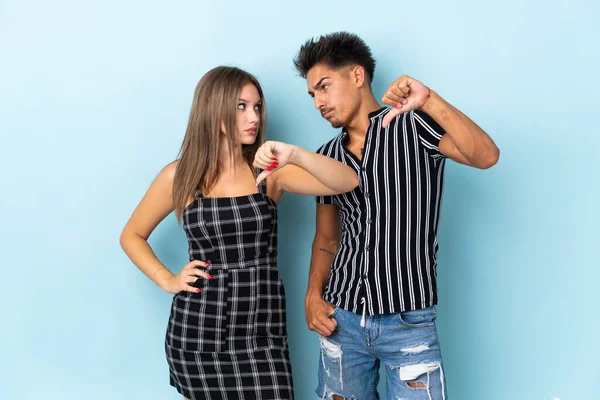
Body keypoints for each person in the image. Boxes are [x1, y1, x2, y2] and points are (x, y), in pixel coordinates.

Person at [119, 66, 359, 400]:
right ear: (214, 110)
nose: (254, 117)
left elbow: (348, 181)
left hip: (262, 330)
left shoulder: (269, 173)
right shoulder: (180, 176)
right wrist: (167, 279)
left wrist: (296, 155)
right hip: (198, 332)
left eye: (257, 106)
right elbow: (131, 235)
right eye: (241, 106)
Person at [294, 32, 500, 399]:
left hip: (408, 322)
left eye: (324, 87)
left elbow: (485, 156)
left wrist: (429, 100)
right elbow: (327, 238)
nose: (318, 102)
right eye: (312, 95)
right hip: (341, 321)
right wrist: (312, 294)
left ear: (357, 76)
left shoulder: (412, 125)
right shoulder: (325, 155)